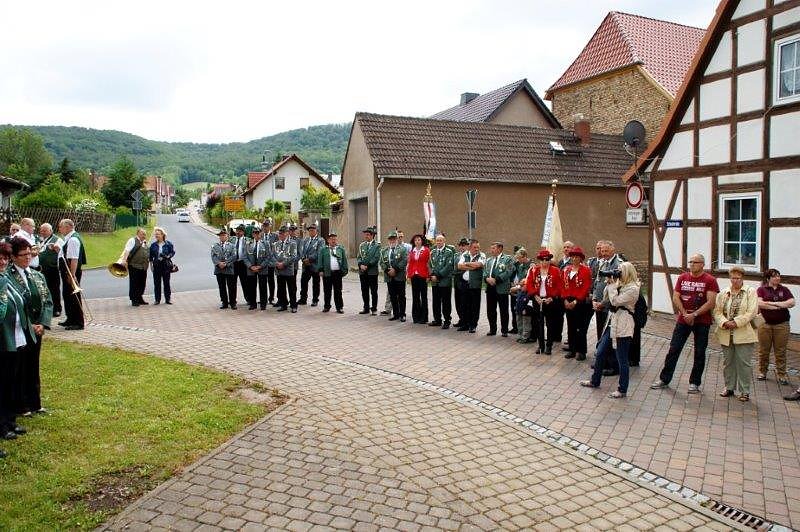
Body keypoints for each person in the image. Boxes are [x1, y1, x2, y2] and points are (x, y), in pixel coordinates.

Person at [651, 253, 719, 394]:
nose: (692, 264)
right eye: (690, 262)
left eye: (695, 262)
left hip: (702, 321)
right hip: (683, 319)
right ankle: (664, 379)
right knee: (674, 349)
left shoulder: (710, 280)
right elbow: (676, 296)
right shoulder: (683, 278)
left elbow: (711, 302)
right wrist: (684, 313)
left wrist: (694, 314)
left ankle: (694, 383)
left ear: (702, 264)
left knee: (699, 352)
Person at [580, 262, 640, 398]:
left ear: (628, 272)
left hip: (624, 324)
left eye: (620, 271)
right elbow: (607, 298)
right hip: (612, 322)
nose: (618, 273)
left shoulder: (633, 289)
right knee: (600, 352)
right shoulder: (618, 284)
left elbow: (616, 302)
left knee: (622, 358)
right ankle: (595, 380)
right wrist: (609, 282)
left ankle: (622, 389)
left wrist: (613, 285)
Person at [7, 237, 53, 416]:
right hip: (21, 329)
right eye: (23, 255)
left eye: (29, 254)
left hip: (37, 329)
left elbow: (47, 300)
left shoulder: (36, 274)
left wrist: (42, 322)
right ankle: (20, 404)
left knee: (33, 366)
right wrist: (30, 324)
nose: (28, 258)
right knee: (19, 368)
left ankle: (35, 402)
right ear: (13, 257)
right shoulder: (8, 276)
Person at [714, 266, 758, 402]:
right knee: (728, 363)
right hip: (726, 333)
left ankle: (745, 390)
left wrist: (736, 322)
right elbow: (717, 311)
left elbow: (752, 312)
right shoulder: (724, 293)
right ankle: (729, 387)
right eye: (733, 277)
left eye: (738, 278)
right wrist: (724, 322)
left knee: (744, 363)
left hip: (744, 334)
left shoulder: (750, 292)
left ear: (742, 278)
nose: (735, 280)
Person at [0, 242, 28, 447]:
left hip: (16, 336)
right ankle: (2, 424)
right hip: (4, 340)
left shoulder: (6, 279)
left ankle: (10, 421)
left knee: (12, 381)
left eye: (5, 258)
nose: (2, 262)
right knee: (2, 384)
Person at [757, 268, 795, 385]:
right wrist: (780, 305)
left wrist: (772, 303)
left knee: (781, 351)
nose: (777, 278)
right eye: (774, 276)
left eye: (778, 276)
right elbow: (759, 303)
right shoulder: (761, 289)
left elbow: (791, 303)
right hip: (765, 325)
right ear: (768, 278)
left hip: (782, 325)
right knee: (764, 350)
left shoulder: (784, 289)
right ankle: (762, 372)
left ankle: (781, 374)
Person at [591, 241, 622, 375]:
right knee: (600, 334)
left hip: (609, 307)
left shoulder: (617, 263)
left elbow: (616, 287)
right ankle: (601, 360)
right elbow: (597, 282)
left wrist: (603, 303)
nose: (603, 254)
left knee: (609, 337)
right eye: (602, 251)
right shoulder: (602, 262)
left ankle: (611, 364)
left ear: (612, 250)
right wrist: (594, 299)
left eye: (606, 251)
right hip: (599, 304)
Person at [525, 249, 562, 354]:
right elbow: (529, 284)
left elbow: (559, 286)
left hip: (550, 300)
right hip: (538, 299)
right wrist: (535, 296)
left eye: (547, 259)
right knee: (538, 324)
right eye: (542, 260)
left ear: (550, 260)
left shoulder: (556, 271)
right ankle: (540, 345)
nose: (544, 262)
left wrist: (552, 297)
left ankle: (549, 346)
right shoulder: (533, 270)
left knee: (550, 324)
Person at [562, 246, 592, 360]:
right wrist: (564, 299)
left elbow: (586, 287)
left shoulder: (585, 270)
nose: (574, 259)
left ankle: (581, 351)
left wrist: (576, 301)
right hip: (567, 300)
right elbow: (562, 285)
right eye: (572, 256)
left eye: (576, 257)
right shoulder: (566, 269)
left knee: (580, 327)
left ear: (581, 258)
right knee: (571, 326)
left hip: (580, 302)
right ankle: (572, 349)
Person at [57, 218, 85, 330]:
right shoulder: (68, 238)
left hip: (70, 272)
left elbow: (74, 259)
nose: (59, 229)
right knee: (67, 295)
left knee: (73, 296)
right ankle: (70, 318)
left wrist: (72, 275)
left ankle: (78, 322)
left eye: (61, 226)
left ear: (68, 227)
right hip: (67, 271)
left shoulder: (73, 240)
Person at [484, 242, 514, 337]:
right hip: (490, 288)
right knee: (491, 309)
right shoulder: (489, 260)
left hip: (501, 288)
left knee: (503, 310)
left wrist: (496, 280)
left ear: (500, 248)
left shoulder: (507, 259)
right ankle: (492, 329)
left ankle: (504, 330)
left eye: (493, 248)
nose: (491, 250)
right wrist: (486, 279)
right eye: (491, 248)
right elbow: (484, 271)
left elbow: (509, 271)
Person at [457, 239, 485, 333]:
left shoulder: (482, 255)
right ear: (470, 247)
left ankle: (473, 325)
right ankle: (465, 324)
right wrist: (472, 266)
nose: (477, 249)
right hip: (465, 283)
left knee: (475, 305)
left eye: (478, 247)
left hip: (475, 284)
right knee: (464, 304)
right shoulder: (465, 255)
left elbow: (479, 264)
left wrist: (467, 263)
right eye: (474, 247)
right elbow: (459, 266)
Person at [427, 234, 455, 329]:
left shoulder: (449, 252)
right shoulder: (433, 252)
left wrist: (437, 276)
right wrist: (432, 275)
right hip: (435, 281)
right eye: (437, 240)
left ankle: (447, 320)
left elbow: (448, 266)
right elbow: (430, 265)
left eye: (440, 240)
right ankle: (437, 320)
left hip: (445, 281)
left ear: (444, 241)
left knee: (446, 302)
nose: (438, 242)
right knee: (436, 301)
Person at [380, 230, 408, 322]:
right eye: (390, 239)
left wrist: (395, 270)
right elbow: (381, 262)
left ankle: (402, 314)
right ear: (388, 240)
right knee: (392, 296)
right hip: (389, 276)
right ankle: (395, 314)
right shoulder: (384, 250)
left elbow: (404, 261)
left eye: (393, 239)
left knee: (401, 296)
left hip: (399, 276)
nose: (392, 241)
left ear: (396, 239)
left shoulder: (402, 249)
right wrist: (387, 270)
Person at [317, 231, 348, 313]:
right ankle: (327, 306)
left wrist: (344, 271)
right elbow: (320, 260)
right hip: (327, 272)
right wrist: (320, 270)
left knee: (338, 291)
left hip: (337, 273)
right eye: (331, 239)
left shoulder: (340, 249)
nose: (333, 240)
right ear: (328, 240)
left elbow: (344, 261)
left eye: (334, 239)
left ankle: (339, 307)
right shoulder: (323, 249)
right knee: (327, 291)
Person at [37, 223, 63, 318]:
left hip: (52, 269)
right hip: (41, 269)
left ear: (51, 231)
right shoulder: (40, 240)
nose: (42, 232)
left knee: (54, 289)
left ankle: (57, 309)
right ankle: (46, 308)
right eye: (41, 230)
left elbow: (62, 252)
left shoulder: (57, 239)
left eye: (45, 230)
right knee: (44, 289)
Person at [121, 228, 150, 307]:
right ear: (138, 234)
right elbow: (127, 250)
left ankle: (139, 298)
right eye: (142, 234)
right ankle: (134, 299)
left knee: (142, 283)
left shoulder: (144, 243)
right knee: (134, 283)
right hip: (134, 266)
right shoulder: (132, 240)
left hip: (143, 267)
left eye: (145, 234)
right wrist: (124, 260)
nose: (144, 235)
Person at [244, 227, 272, 310]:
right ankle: (253, 304)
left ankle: (263, 304)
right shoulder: (248, 243)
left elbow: (268, 256)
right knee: (251, 287)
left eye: (258, 233)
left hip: (262, 268)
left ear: (261, 233)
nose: (256, 234)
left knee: (263, 287)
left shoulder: (266, 243)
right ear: (252, 234)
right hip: (251, 269)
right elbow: (244, 257)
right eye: (255, 233)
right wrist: (250, 266)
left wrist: (261, 266)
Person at [272, 226, 299, 312]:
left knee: (291, 288)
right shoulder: (276, 244)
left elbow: (293, 256)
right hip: (279, 270)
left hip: (288, 269)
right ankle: (283, 305)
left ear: (287, 233)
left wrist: (283, 264)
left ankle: (293, 306)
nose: (281, 235)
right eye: (279, 233)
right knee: (281, 288)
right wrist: (276, 263)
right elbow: (272, 255)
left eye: (282, 233)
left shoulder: (292, 243)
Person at [511, 248, 533, 343]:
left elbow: (528, 282)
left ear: (524, 256)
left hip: (527, 295)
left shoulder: (531, 266)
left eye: (519, 258)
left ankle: (526, 336)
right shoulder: (520, 266)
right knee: (518, 313)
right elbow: (520, 280)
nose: (518, 260)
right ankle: (520, 334)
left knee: (526, 315)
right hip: (520, 294)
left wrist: (518, 287)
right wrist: (517, 287)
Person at [298, 224, 324, 306]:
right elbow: (301, 251)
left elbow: (319, 252)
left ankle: (315, 300)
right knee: (303, 282)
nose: (311, 231)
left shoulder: (320, 240)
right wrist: (303, 259)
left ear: (317, 231)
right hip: (306, 265)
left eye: (313, 230)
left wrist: (309, 259)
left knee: (316, 283)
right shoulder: (306, 240)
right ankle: (303, 299)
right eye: (310, 230)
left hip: (314, 265)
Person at [356, 226, 380, 315]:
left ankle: (374, 309)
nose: (366, 236)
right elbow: (358, 257)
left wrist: (367, 265)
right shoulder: (362, 245)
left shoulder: (377, 246)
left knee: (373, 291)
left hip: (372, 272)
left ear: (372, 235)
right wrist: (360, 265)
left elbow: (376, 258)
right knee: (364, 290)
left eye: (368, 234)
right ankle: (366, 307)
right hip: (362, 272)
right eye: (365, 234)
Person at [211, 228, 237, 309]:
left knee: (231, 287)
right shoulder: (215, 246)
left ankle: (233, 303)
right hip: (219, 269)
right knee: (222, 287)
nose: (222, 237)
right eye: (220, 236)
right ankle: (224, 302)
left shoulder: (232, 246)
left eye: (224, 235)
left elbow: (234, 256)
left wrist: (226, 263)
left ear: (227, 236)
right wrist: (219, 263)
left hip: (229, 269)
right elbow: (213, 256)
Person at [407, 234, 430, 324]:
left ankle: (424, 318)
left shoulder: (426, 250)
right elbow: (410, 264)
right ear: (414, 242)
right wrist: (409, 276)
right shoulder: (412, 251)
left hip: (423, 275)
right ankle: (416, 316)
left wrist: (428, 276)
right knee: (415, 296)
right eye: (415, 240)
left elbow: (428, 264)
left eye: (419, 240)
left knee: (423, 297)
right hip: (414, 275)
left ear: (422, 241)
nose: (417, 241)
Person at [149, 227, 175, 305]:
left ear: (162, 235)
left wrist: (168, 256)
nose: (156, 235)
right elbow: (150, 256)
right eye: (155, 234)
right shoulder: (153, 245)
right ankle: (157, 300)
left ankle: (168, 299)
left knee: (166, 283)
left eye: (158, 234)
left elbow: (172, 252)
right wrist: (151, 266)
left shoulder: (168, 244)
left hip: (166, 266)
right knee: (157, 284)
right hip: (156, 266)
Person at [231, 224, 254, 308]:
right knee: (232, 283)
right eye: (237, 230)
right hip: (233, 263)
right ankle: (233, 301)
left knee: (245, 283)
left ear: (243, 232)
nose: (237, 232)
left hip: (243, 263)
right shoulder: (232, 239)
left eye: (239, 231)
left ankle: (248, 299)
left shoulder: (248, 240)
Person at [451, 237, 469, 329]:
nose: (462, 247)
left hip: (464, 280)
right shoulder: (456, 255)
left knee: (464, 302)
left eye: (464, 245)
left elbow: (463, 268)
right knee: (457, 300)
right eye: (460, 245)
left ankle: (466, 321)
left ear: (467, 246)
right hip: (457, 279)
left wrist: (458, 270)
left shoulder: (468, 255)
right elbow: (454, 267)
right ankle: (461, 319)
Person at [261, 218, 278, 305]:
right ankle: (263, 298)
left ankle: (271, 298)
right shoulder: (260, 235)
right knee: (262, 281)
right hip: (262, 262)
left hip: (271, 262)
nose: (265, 227)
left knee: (271, 281)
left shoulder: (275, 236)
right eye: (264, 226)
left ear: (270, 226)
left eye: (267, 226)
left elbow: (276, 249)